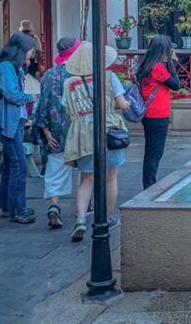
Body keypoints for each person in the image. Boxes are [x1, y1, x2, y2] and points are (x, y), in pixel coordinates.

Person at [62, 42, 130, 241]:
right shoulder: (109, 77)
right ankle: (106, 218)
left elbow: (67, 109)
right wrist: (128, 104)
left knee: (86, 178)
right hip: (108, 130)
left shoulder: (69, 83)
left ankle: (81, 218)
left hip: (81, 133)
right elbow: (122, 103)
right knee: (111, 177)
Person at [0, 33, 38, 223]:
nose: (32, 54)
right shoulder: (6, 68)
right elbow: (12, 95)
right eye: (30, 51)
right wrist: (29, 98)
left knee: (11, 164)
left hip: (13, 120)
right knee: (19, 164)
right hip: (6, 121)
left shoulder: (14, 68)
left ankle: (8, 205)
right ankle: (19, 209)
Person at [31, 36, 79, 229]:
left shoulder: (49, 75)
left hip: (56, 130)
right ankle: (84, 206)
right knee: (87, 171)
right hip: (78, 129)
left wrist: (45, 130)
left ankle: (54, 206)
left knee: (55, 170)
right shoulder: (81, 74)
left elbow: (42, 106)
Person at [136, 35, 180, 190]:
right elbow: (176, 84)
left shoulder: (146, 65)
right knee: (155, 152)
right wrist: (173, 63)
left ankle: (148, 181)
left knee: (151, 150)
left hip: (150, 115)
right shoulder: (158, 68)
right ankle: (149, 183)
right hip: (158, 114)